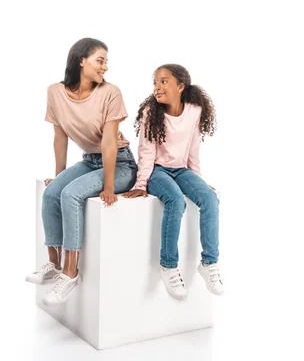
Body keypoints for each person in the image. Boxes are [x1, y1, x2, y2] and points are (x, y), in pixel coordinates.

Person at [25, 38, 137, 305]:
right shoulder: (55, 92)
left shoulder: (111, 92)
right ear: (80, 60)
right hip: (89, 161)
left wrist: (109, 186)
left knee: (71, 194)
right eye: (100, 61)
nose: (105, 68)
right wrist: (59, 174)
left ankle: (70, 272)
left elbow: (109, 141)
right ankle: (53, 263)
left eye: (106, 62)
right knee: (53, 193)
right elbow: (60, 137)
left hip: (120, 164)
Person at [123, 64, 224, 300]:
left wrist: (197, 180)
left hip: (181, 170)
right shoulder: (151, 112)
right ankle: (168, 266)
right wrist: (141, 184)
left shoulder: (194, 110)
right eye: (155, 82)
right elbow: (146, 151)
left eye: (164, 81)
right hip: (157, 171)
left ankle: (209, 263)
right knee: (176, 200)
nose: (157, 86)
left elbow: (193, 148)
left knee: (210, 198)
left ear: (181, 86)